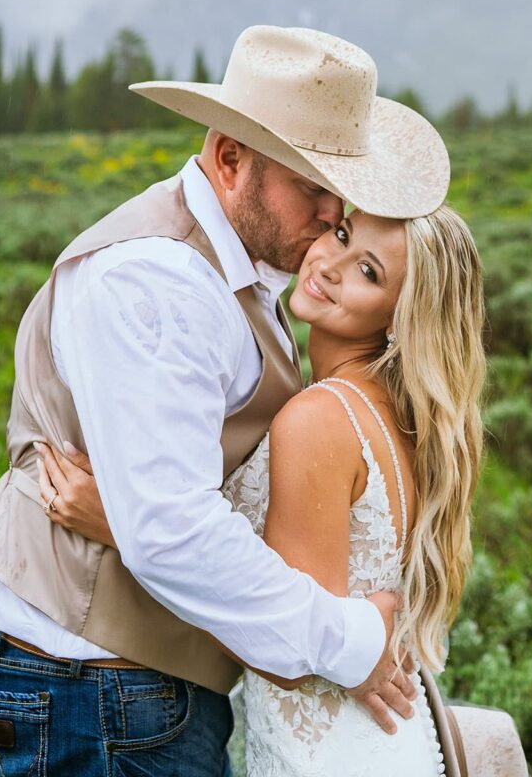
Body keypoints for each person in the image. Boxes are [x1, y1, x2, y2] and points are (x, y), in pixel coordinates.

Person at [0, 25, 450, 776]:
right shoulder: (158, 285)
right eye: (312, 187)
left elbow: (157, 515)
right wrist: (348, 643)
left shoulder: (246, 270)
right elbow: (170, 527)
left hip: (131, 693)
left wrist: (122, 518)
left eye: (339, 191)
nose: (330, 216)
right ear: (229, 159)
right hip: (94, 692)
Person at [36, 202, 485, 776]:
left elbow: (288, 660)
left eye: (369, 271)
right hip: (384, 742)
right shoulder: (402, 420)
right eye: (341, 235)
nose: (329, 264)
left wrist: (123, 524)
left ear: (402, 315)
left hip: (324, 755)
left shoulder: (320, 419)